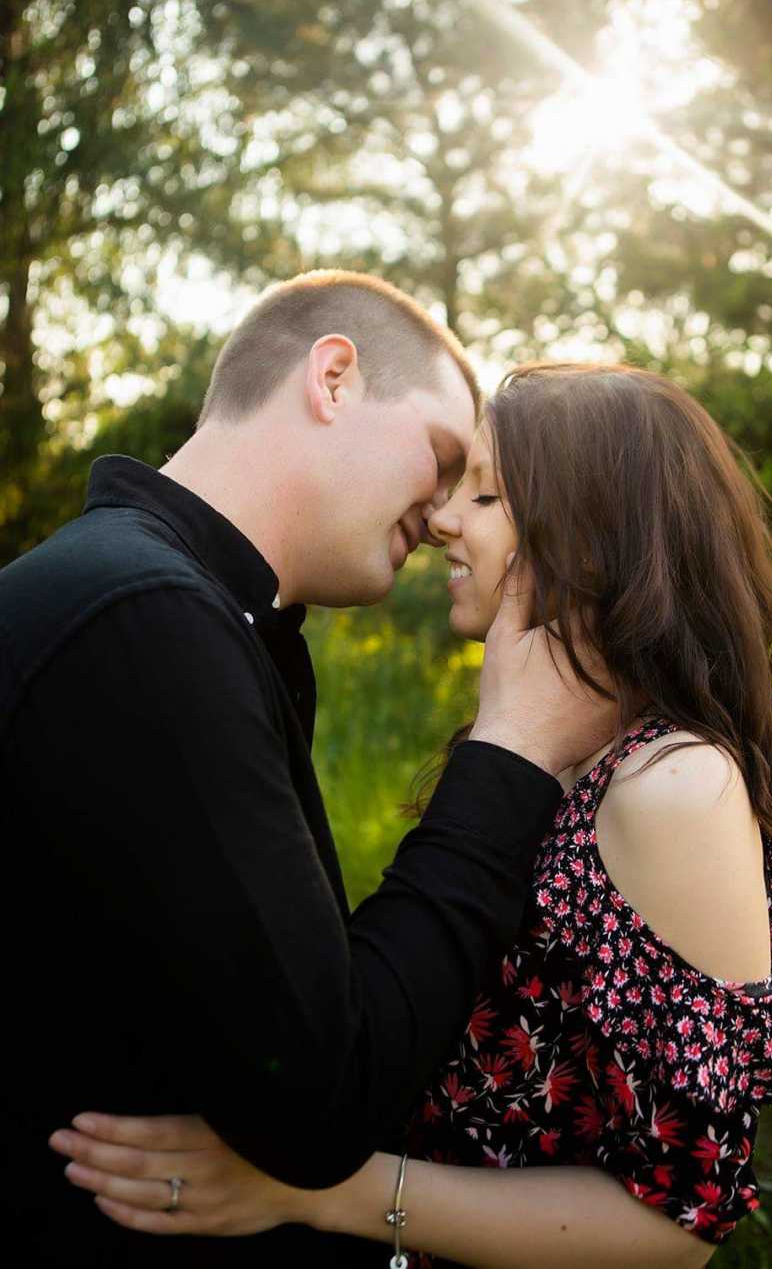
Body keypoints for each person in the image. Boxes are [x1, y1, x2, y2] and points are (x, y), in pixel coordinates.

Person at [53, 364, 772, 1267]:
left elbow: (677, 1225)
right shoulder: (560, 747)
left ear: (592, 535)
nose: (439, 521)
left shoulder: (672, 784)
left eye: (489, 494)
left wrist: (321, 1193)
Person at [1, 278, 618, 1269]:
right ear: (333, 377)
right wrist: (511, 754)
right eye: (446, 460)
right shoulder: (142, 616)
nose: (449, 513)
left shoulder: (177, 607)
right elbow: (322, 1100)